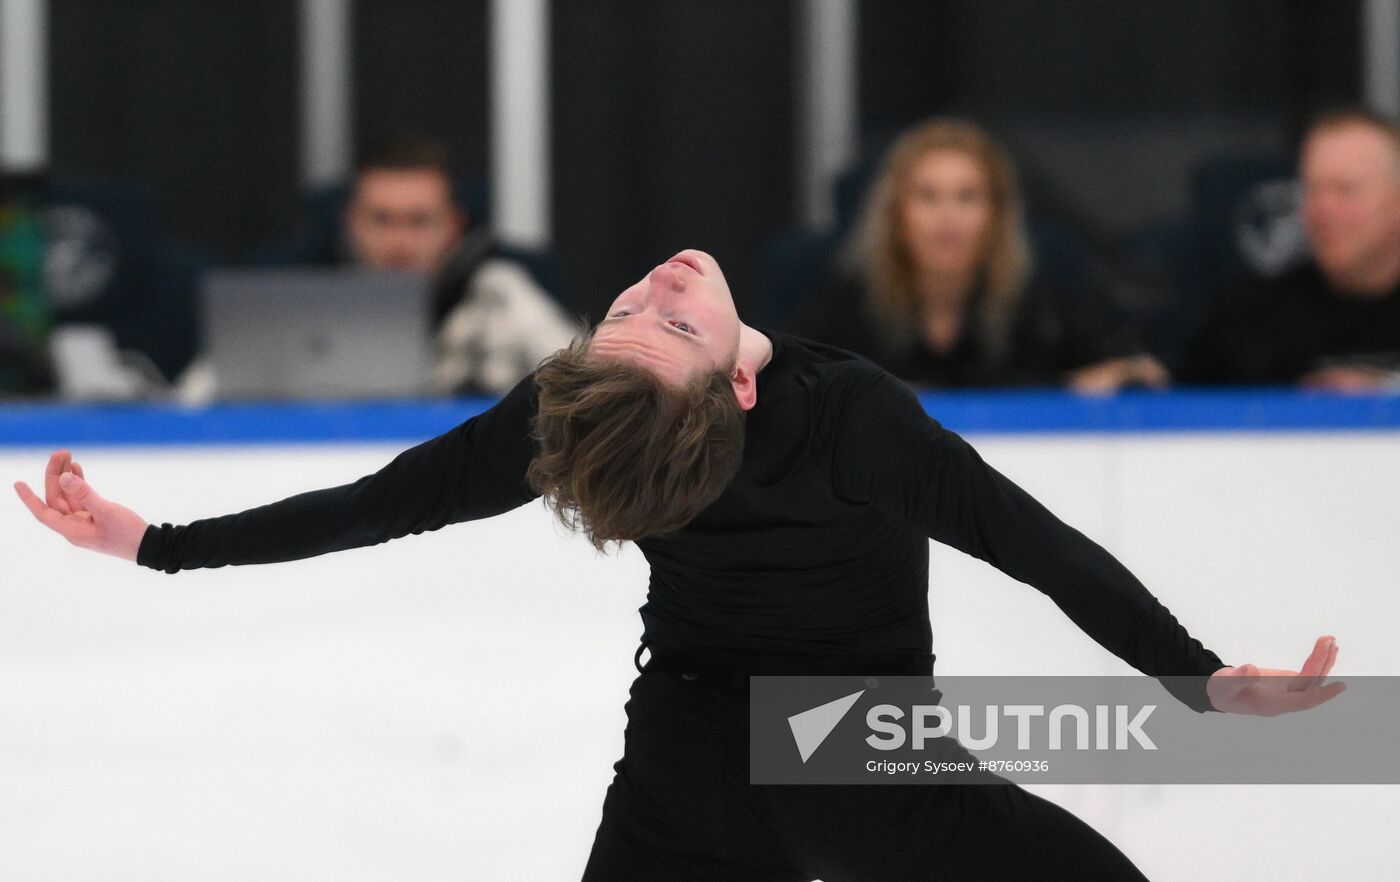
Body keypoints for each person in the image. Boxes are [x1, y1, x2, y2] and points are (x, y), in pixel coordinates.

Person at [15, 248, 1342, 879]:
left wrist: (153, 545)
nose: (653, 289)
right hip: (844, 737)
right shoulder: (850, 419)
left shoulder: (589, 412)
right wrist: (1200, 687)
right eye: (656, 317)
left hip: (706, 740)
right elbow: (1039, 547)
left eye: (633, 313)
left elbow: (386, 503)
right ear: (736, 394)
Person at [176, 137, 578, 402]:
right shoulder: (295, 295)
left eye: (419, 221)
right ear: (350, 221)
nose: (399, 241)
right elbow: (189, 404)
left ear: (454, 226)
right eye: (382, 220)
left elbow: (584, 387)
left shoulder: (499, 292)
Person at [798, 118, 1169, 392]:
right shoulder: (846, 300)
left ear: (996, 215)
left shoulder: (1044, 300)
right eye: (928, 196)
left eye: (967, 197)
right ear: (896, 214)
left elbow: (1136, 373)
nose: (948, 217)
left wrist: (1081, 386)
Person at [1183, 108, 1400, 388]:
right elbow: (1182, 415)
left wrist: (1382, 395)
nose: (1322, 209)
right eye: (1311, 189)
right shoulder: (1250, 319)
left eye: (1345, 190)